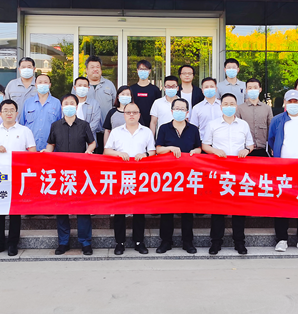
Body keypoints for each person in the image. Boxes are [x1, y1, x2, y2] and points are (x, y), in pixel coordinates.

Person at [0, 99, 37, 257]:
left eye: (12, 110)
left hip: (17, 176)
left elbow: (32, 152)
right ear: (0, 113)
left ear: (16, 113)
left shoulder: (25, 131)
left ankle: (13, 243)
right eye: (5, 110)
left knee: (15, 211)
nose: (9, 113)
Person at [201, 93, 254, 255]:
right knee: (218, 208)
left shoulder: (243, 125)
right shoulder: (213, 124)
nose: (229, 106)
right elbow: (205, 145)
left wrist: (246, 150)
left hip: (239, 171)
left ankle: (239, 242)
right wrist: (215, 151)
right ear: (221, 106)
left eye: (232, 104)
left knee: (239, 208)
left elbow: (250, 144)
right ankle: (216, 242)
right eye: (226, 104)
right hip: (219, 171)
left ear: (236, 106)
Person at [45, 94, 96, 256]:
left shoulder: (84, 125)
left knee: (83, 208)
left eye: (71, 103)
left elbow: (92, 142)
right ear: (62, 107)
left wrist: (89, 151)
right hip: (61, 173)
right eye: (65, 103)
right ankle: (63, 242)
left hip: (80, 172)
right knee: (61, 208)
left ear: (76, 106)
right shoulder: (55, 125)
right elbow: (51, 144)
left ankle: (85, 242)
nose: (68, 106)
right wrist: (45, 155)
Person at [104, 101, 156, 255]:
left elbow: (153, 151)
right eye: (128, 112)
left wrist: (145, 154)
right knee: (119, 210)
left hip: (140, 176)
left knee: (139, 210)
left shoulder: (146, 131)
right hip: (121, 176)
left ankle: (139, 241)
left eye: (134, 112)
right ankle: (119, 243)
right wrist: (118, 154)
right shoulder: (116, 131)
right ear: (124, 115)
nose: (131, 115)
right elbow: (107, 150)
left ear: (139, 115)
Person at [268, 89, 298, 253]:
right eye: (290, 101)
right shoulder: (277, 120)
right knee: (281, 203)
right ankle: (281, 239)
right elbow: (271, 140)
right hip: (282, 168)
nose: (293, 104)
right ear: (285, 103)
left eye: (296, 101)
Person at [155, 98, 201, 254]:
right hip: (168, 175)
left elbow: (199, 148)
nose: (180, 111)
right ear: (172, 111)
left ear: (187, 112)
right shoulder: (164, 128)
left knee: (187, 210)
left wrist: (195, 151)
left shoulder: (193, 129)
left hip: (188, 175)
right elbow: (158, 149)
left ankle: (187, 242)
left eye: (183, 109)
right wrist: (170, 148)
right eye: (177, 108)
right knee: (167, 209)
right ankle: (165, 241)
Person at [81, 55, 116, 151]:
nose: (95, 69)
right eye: (92, 67)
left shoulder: (109, 85)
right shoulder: (81, 85)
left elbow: (115, 105)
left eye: (98, 67)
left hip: (105, 131)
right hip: (85, 132)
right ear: (87, 70)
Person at [20, 73, 61, 151]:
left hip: (50, 149)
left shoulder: (56, 103)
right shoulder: (28, 102)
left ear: (49, 85)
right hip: (30, 148)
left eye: (45, 82)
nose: (43, 84)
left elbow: (59, 126)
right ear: (36, 85)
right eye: (40, 82)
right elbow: (22, 124)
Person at [235, 77, 273, 157]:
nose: (252, 90)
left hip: (263, 149)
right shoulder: (240, 108)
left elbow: (271, 128)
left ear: (260, 89)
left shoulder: (267, 108)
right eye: (250, 88)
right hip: (245, 151)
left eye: (255, 88)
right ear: (246, 90)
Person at [129, 60, 162, 128]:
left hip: (151, 124)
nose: (143, 71)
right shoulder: (131, 89)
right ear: (137, 70)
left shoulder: (155, 90)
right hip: (134, 123)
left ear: (149, 71)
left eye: (145, 69)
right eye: (141, 69)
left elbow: (158, 108)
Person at [73, 76, 102, 146]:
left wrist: (82, 133)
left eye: (85, 86)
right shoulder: (69, 103)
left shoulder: (94, 104)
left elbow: (95, 121)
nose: (82, 88)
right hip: (71, 140)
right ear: (75, 88)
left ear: (88, 88)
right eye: (79, 85)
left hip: (89, 142)